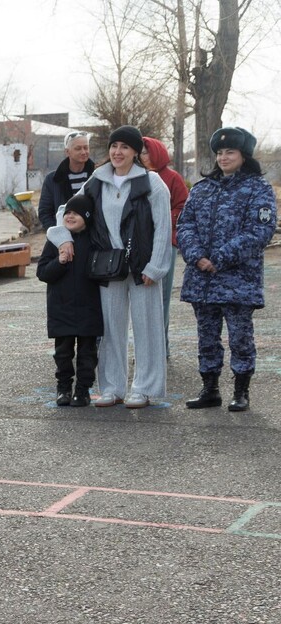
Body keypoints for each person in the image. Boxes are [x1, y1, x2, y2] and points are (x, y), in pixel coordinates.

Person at [48, 125, 173, 408]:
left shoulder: (151, 183)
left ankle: (144, 388)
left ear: (135, 152)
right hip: (108, 265)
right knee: (111, 329)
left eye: (125, 147)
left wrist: (157, 266)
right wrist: (62, 239)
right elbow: (64, 211)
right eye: (114, 146)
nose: (117, 152)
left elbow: (163, 227)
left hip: (144, 268)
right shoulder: (97, 180)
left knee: (147, 329)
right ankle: (112, 388)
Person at [176, 126, 276, 412]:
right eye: (219, 153)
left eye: (229, 152)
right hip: (202, 280)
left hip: (237, 280)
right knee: (206, 337)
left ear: (244, 155)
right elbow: (185, 225)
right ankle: (210, 389)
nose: (223, 157)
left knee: (240, 338)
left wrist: (218, 258)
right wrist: (196, 256)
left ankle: (241, 391)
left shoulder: (257, 188)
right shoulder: (203, 188)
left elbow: (260, 231)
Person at [36, 194, 103, 406]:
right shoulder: (56, 241)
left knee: (87, 353)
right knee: (63, 354)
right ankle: (63, 388)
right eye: (67, 213)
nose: (70, 216)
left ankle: (82, 390)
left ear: (87, 217)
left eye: (76, 213)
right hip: (61, 308)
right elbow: (43, 272)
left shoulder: (94, 241)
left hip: (89, 307)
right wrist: (60, 261)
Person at [141, 136, 189, 357]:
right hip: (141, 244)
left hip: (166, 243)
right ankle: (147, 348)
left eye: (144, 152)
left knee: (162, 299)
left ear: (156, 153)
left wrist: (162, 220)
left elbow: (183, 207)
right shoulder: (136, 177)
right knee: (143, 300)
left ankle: (161, 348)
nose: (141, 156)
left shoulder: (172, 178)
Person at [38, 132, 95, 232]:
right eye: (78, 148)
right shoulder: (53, 180)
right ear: (67, 152)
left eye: (86, 148)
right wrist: (60, 235)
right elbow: (45, 213)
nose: (83, 152)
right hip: (63, 239)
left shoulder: (98, 176)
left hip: (95, 238)